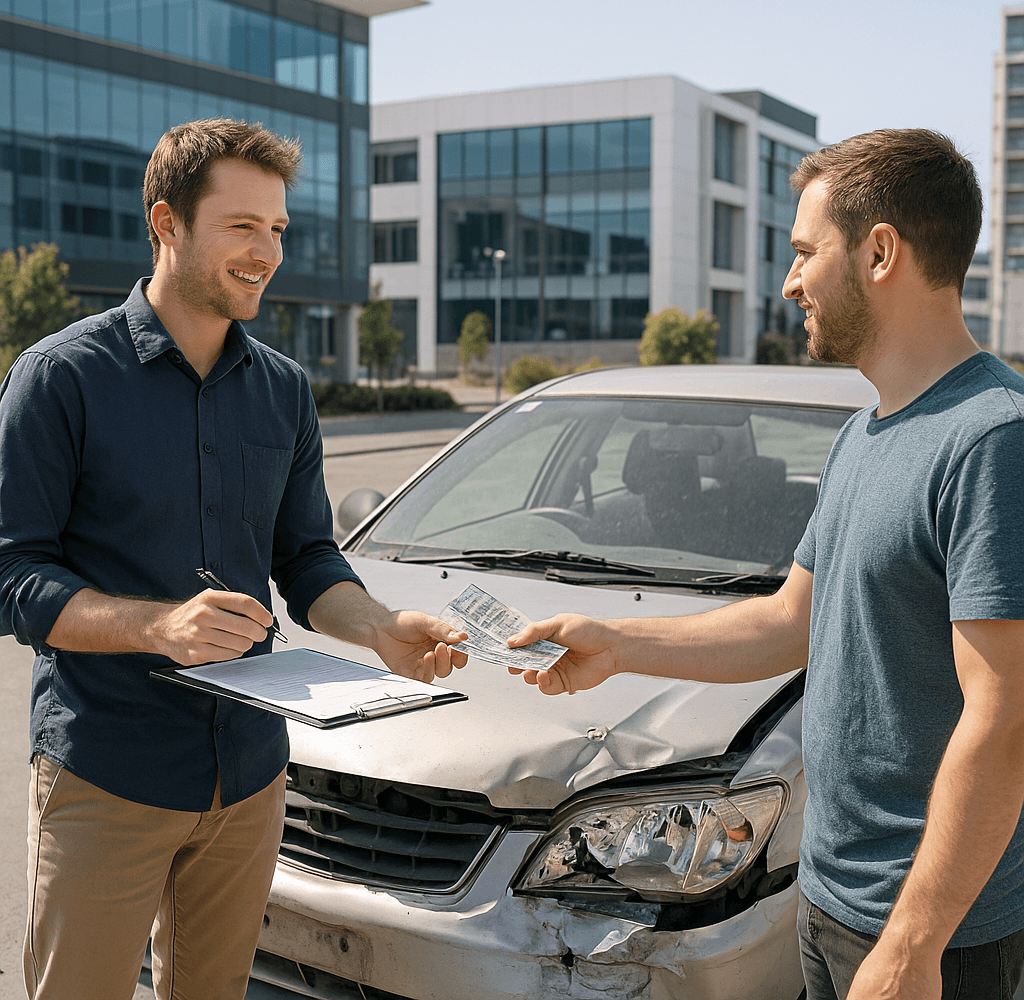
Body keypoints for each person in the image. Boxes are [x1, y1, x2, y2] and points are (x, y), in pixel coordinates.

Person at [480, 130, 1024, 998]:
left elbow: (1005, 720)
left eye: (807, 251)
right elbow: (787, 623)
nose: (790, 281)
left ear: (880, 252)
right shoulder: (867, 431)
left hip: (934, 938)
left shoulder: (992, 438)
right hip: (833, 898)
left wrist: (915, 943)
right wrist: (619, 641)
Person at [0, 118, 466, 1000]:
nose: (267, 254)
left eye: (279, 230)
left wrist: (381, 628)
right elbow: (12, 576)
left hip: (249, 778)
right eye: (243, 228)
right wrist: (158, 625)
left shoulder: (285, 390)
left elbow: (307, 556)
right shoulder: (60, 378)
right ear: (166, 223)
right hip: (107, 774)